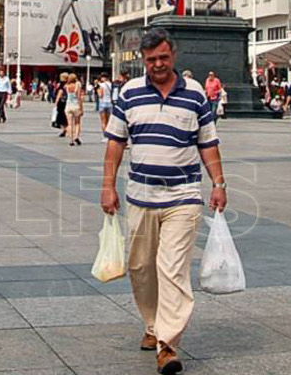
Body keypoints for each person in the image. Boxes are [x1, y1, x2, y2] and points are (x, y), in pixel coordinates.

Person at [101, 28, 226, 375]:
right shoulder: (129, 93)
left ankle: (168, 345)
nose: (157, 64)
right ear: (143, 60)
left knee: (171, 269)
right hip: (140, 196)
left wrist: (218, 182)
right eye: (151, 59)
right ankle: (152, 324)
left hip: (183, 197)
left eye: (163, 58)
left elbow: (208, 143)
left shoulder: (196, 94)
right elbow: (115, 143)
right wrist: (107, 186)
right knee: (141, 267)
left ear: (174, 56)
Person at [65, 76, 86, 146]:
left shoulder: (67, 86)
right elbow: (79, 97)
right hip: (76, 105)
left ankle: (71, 140)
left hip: (68, 106)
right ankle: (76, 137)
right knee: (77, 123)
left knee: (70, 124)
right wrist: (81, 108)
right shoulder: (77, 85)